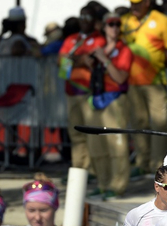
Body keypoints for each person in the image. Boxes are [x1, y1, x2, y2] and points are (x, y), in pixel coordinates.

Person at [121, 0, 167, 175]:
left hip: (155, 82)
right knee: (138, 123)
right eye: (132, 3)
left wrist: (157, 67)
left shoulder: (162, 20)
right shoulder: (125, 20)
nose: (134, 7)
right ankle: (142, 162)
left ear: (148, 2)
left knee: (159, 123)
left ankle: (158, 165)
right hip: (132, 83)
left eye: (138, 3)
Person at [89, 12, 134, 198]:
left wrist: (105, 60)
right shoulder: (98, 47)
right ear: (104, 27)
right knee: (97, 144)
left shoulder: (124, 50)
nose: (114, 28)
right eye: (110, 24)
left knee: (117, 144)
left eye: (117, 24)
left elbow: (120, 77)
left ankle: (117, 186)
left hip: (115, 98)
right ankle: (103, 182)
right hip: (96, 98)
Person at [59, 5, 104, 172]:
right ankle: (78, 169)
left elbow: (90, 61)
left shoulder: (99, 38)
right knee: (75, 134)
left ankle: (93, 170)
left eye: (88, 17)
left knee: (91, 134)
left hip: (89, 93)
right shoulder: (71, 39)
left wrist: (72, 59)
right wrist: (80, 59)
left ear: (94, 20)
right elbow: (61, 61)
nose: (84, 21)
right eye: (82, 17)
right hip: (71, 92)